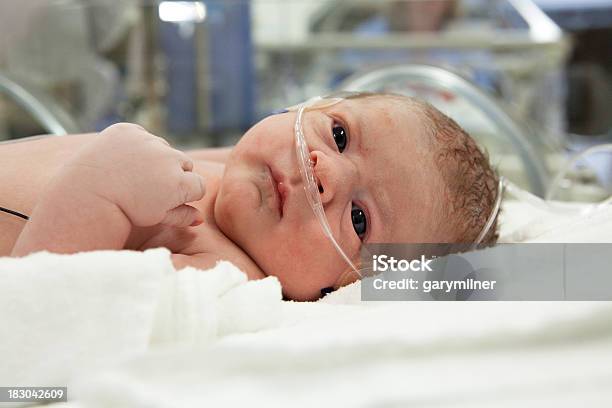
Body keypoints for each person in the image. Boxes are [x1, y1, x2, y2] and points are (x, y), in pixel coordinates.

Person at [0, 93, 499, 301]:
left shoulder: (223, 272)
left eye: (360, 219)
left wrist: (98, 191)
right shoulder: (231, 172)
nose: (323, 172)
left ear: (337, 290)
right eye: (340, 136)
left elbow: (39, 312)